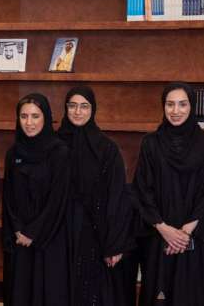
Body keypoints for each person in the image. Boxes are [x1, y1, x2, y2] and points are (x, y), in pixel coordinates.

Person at [133, 82, 204, 306]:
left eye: (182, 104)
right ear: (163, 106)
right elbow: (142, 189)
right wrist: (163, 228)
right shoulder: (150, 143)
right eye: (170, 104)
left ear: (192, 106)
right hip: (158, 237)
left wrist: (184, 233)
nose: (175, 111)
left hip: (194, 238)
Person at [57, 86, 135, 306]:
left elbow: (117, 197)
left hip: (95, 233)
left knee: (91, 292)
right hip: (59, 231)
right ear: (65, 109)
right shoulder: (53, 144)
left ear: (93, 110)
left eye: (84, 106)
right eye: (72, 106)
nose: (77, 112)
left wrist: (114, 244)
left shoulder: (106, 148)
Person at [2, 93, 70, 306]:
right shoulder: (13, 153)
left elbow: (57, 199)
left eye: (35, 116)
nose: (29, 123)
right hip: (19, 238)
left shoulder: (59, 152)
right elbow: (9, 197)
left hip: (48, 238)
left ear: (46, 118)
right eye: (23, 116)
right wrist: (18, 229)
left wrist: (33, 232)